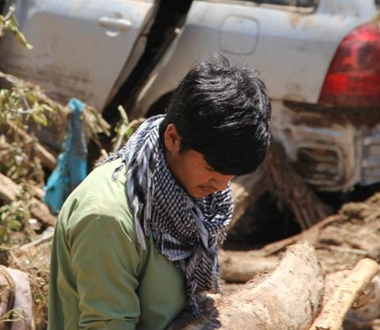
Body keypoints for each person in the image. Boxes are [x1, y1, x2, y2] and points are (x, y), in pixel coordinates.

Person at [48, 55, 272, 329]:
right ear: (172, 138)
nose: (222, 187)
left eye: (231, 176)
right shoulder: (109, 218)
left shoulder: (192, 192)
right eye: (212, 170)